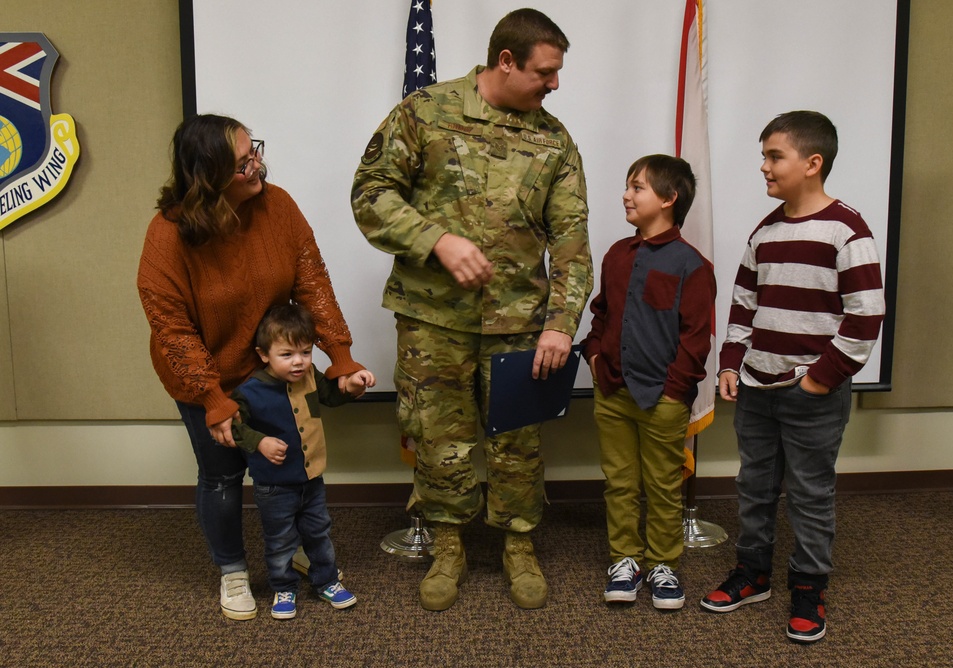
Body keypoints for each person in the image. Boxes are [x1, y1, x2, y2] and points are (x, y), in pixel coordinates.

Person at [351, 8, 592, 611]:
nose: (555, 84)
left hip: (519, 323)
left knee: (518, 442)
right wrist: (436, 239)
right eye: (546, 72)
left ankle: (518, 545)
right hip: (434, 320)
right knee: (440, 440)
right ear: (505, 62)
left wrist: (561, 325)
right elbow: (370, 193)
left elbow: (571, 242)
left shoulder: (554, 140)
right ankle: (449, 545)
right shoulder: (425, 112)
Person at [137, 114, 367, 621]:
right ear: (207, 175)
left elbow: (313, 283)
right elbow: (171, 329)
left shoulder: (277, 206)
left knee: (288, 468)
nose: (257, 164)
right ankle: (234, 570)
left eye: (254, 151)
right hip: (207, 375)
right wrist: (213, 399)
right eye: (242, 163)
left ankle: (295, 551)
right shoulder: (167, 236)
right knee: (221, 476)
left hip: (273, 370)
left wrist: (340, 355)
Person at [700, 111, 885, 643]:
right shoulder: (767, 229)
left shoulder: (848, 230)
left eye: (773, 156)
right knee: (754, 486)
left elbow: (866, 315)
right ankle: (752, 574)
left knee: (809, 492)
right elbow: (742, 303)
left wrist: (821, 379)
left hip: (813, 394)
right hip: (758, 388)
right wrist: (732, 364)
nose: (763, 166)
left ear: (812, 162)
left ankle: (808, 585)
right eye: (763, 155)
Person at [581, 155, 716, 610]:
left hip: (663, 399)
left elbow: (696, 338)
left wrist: (675, 391)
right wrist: (595, 357)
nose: (626, 194)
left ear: (668, 198)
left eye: (637, 187)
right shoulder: (617, 255)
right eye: (627, 185)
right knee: (619, 482)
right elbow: (601, 314)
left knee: (662, 483)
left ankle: (663, 563)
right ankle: (625, 559)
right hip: (613, 391)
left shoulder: (691, 265)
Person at [230, 304, 374, 620]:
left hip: (311, 479)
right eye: (287, 354)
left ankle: (326, 581)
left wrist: (352, 385)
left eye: (305, 352)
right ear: (263, 354)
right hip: (273, 484)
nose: (299, 362)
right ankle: (284, 587)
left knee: (318, 532)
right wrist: (260, 442)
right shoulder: (250, 391)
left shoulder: (309, 375)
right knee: (280, 540)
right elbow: (234, 428)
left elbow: (331, 396)